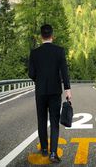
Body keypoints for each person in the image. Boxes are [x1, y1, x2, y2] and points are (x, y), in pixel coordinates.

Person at [28, 24, 72, 163]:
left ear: (41, 36)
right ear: (52, 35)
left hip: (40, 91)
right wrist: (67, 89)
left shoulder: (34, 53)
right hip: (55, 91)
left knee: (41, 120)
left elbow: (31, 73)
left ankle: (44, 150)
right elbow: (64, 71)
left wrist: (39, 80)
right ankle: (53, 153)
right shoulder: (59, 51)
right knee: (54, 121)